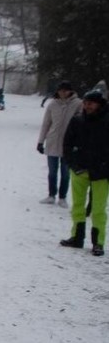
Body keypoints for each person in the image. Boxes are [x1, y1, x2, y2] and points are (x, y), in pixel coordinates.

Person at [59, 90, 109, 256]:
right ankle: (77, 237)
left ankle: (98, 242)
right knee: (78, 206)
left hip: (101, 172)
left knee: (99, 209)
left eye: (91, 103)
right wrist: (73, 164)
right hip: (80, 170)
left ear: (99, 104)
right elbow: (67, 145)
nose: (87, 106)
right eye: (86, 102)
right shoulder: (77, 120)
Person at [38, 81, 82, 207]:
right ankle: (51, 195)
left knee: (65, 172)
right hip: (52, 141)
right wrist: (41, 141)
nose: (63, 92)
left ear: (70, 91)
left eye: (66, 90)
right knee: (52, 171)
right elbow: (46, 123)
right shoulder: (52, 104)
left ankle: (62, 197)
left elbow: (81, 124)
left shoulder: (78, 104)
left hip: (68, 144)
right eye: (61, 90)